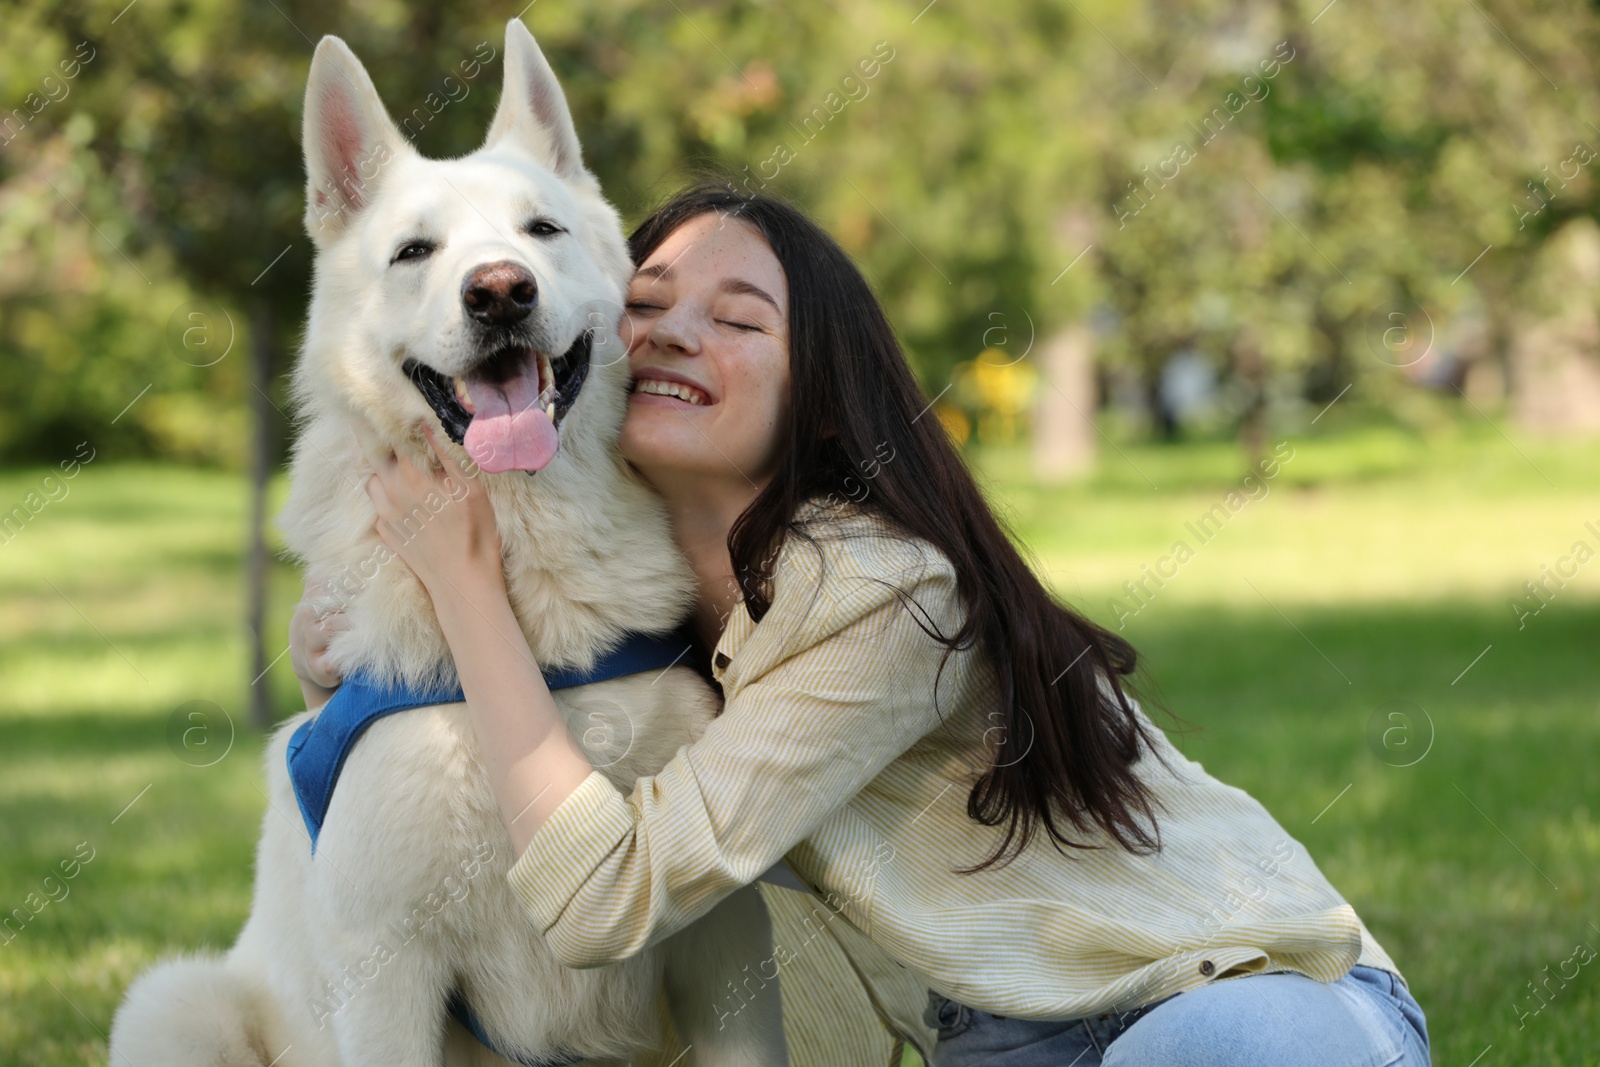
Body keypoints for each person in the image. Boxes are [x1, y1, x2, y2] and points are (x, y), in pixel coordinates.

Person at [291, 184, 1430, 1066]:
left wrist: (467, 596)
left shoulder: (880, 588)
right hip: (995, 1040)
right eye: (642, 306)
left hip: (1233, 999)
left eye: (734, 319)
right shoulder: (645, 602)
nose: (670, 333)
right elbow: (487, 793)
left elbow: (605, 893)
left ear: (821, 395)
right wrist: (373, 673)